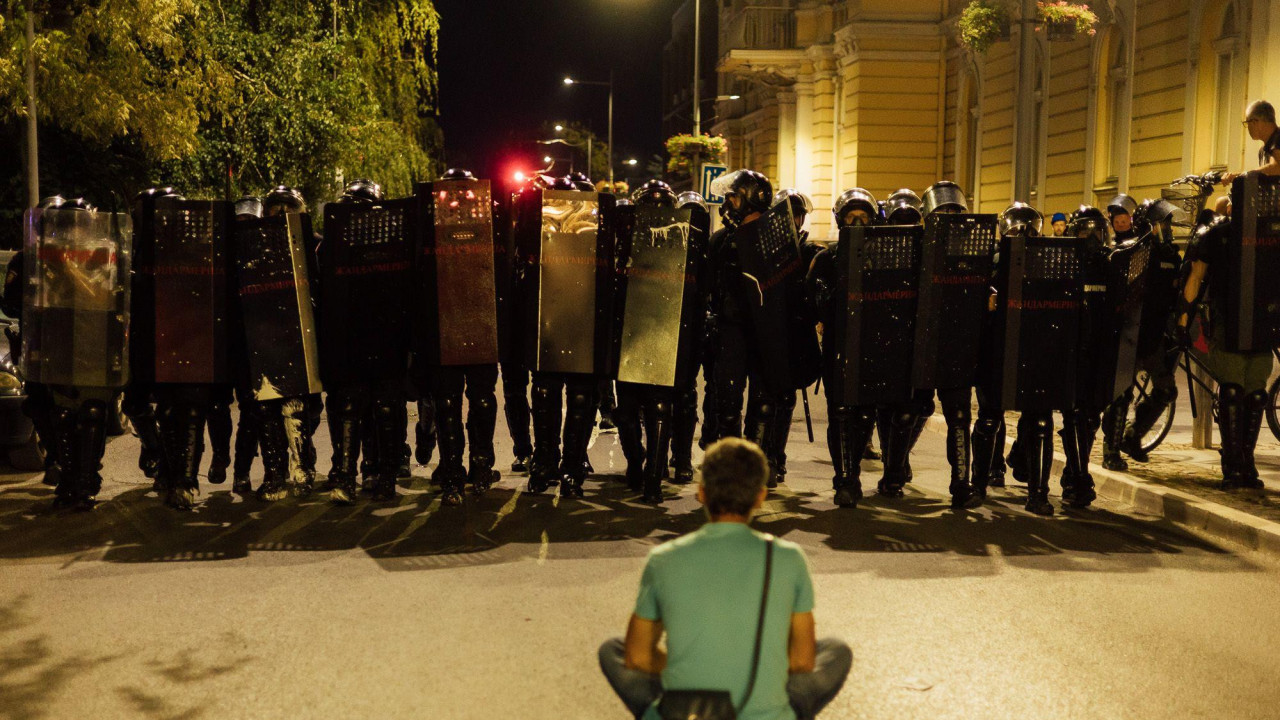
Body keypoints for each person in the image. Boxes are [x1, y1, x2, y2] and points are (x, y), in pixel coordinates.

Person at [598, 438, 851, 720]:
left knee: (613, 649)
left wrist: (688, 664)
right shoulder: (788, 558)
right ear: (760, 496)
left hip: (685, 711)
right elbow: (802, 661)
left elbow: (638, 658)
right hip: (765, 715)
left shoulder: (663, 558)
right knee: (836, 650)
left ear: (702, 493)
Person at [1178, 216, 1270, 490]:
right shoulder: (1216, 236)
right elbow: (1196, 277)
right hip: (1226, 319)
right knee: (1232, 391)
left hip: (1261, 323)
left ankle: (1246, 461)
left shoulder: (1270, 232)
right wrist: (1184, 321)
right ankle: (1231, 465)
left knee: (1256, 395)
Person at [808, 187, 881, 508]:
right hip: (837, 345)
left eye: (862, 218)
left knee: (865, 412)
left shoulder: (884, 257)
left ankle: (854, 470)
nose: (856, 223)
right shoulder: (826, 259)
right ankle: (845, 478)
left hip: (871, 345)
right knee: (839, 412)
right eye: (850, 218)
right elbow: (810, 302)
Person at [1222, 99, 1280, 183]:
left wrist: (1243, 175)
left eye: (1247, 123)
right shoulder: (1262, 151)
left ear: (1254, 122)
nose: (1248, 128)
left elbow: (1277, 166)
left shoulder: (1278, 138)